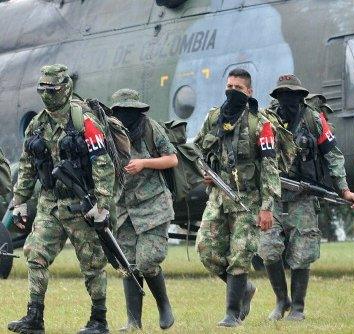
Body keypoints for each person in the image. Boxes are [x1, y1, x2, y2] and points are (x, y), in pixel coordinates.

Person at [8, 64, 115, 334]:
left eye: (52, 89)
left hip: (82, 204)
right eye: (42, 89)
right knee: (35, 255)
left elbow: (102, 163)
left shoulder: (84, 121)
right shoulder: (37, 124)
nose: (47, 94)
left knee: (92, 264)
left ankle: (99, 320)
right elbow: (28, 166)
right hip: (50, 203)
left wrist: (101, 204)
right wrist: (19, 201)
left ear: (65, 88)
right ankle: (34, 318)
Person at [258, 74, 354, 321]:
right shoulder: (265, 121)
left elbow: (333, 156)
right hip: (272, 196)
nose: (288, 100)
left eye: (293, 95)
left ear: (302, 96)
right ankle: (282, 301)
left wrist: (344, 189)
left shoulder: (314, 121)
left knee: (303, 252)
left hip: (304, 197)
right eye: (283, 95)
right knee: (269, 250)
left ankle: (298, 308)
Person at [193, 68, 281, 327]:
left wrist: (267, 208)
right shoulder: (214, 118)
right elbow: (196, 150)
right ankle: (245, 290)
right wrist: (205, 172)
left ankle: (232, 314)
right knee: (206, 250)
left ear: (249, 92)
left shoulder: (261, 124)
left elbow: (270, 168)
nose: (232, 91)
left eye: (238, 88)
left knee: (240, 256)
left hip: (248, 201)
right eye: (229, 86)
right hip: (219, 197)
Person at [110, 89, 178, 331]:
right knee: (128, 265)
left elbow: (172, 159)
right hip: (124, 209)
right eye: (122, 111)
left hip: (153, 206)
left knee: (148, 261)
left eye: (131, 111)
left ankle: (164, 306)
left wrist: (144, 163)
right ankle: (133, 322)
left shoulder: (150, 128)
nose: (127, 116)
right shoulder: (111, 133)